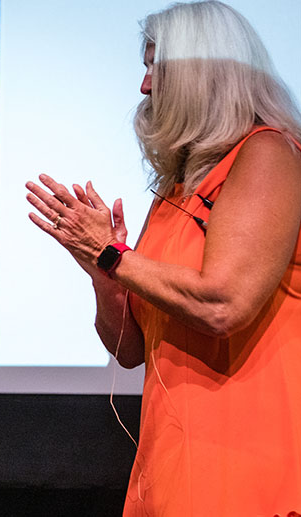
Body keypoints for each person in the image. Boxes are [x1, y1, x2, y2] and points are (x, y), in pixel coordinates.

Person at [25, 1, 301, 514]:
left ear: (203, 75)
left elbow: (223, 305)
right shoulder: (177, 186)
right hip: (172, 462)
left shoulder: (268, 154)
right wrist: (102, 272)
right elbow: (129, 349)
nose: (145, 87)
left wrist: (111, 253)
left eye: (155, 68)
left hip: (246, 462)